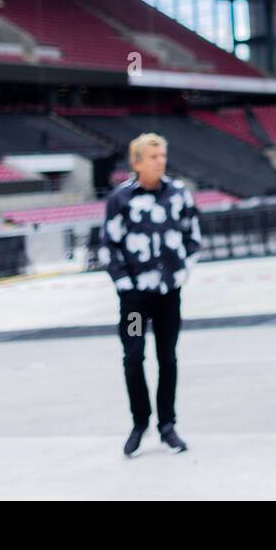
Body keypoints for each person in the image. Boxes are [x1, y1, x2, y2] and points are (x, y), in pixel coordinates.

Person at [101, 133, 202, 458]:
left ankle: (168, 425)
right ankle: (139, 422)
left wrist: (182, 272)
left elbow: (193, 236)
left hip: (168, 293)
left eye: (162, 155)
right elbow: (109, 246)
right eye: (153, 156)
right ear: (137, 162)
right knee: (133, 357)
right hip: (133, 299)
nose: (160, 161)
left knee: (167, 358)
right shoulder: (120, 199)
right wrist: (124, 284)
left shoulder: (178, 194)